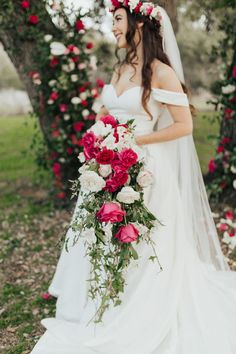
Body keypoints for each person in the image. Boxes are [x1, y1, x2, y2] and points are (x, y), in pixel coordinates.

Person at [31, 2, 236, 353]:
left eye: (118, 20)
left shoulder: (160, 71)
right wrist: (100, 135)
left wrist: (134, 140)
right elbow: (105, 109)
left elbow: (184, 125)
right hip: (107, 163)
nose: (112, 28)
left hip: (147, 169)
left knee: (139, 241)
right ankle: (101, 300)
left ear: (139, 22)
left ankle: (139, 307)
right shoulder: (121, 67)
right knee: (103, 235)